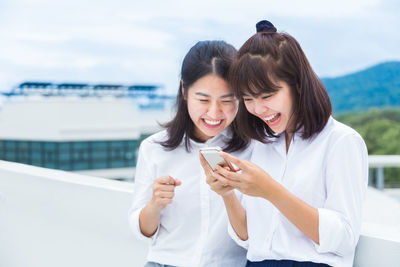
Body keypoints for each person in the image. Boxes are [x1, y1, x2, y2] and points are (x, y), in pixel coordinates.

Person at [199, 21, 368, 267]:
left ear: (297, 85)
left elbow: (343, 239)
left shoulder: (341, 142)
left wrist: (271, 191)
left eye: (267, 96)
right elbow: (247, 237)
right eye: (248, 98)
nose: (258, 108)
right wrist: (228, 193)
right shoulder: (262, 145)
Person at [129, 40, 252, 267]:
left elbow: (252, 236)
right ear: (184, 90)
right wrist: (155, 204)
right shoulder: (155, 147)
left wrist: (228, 194)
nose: (214, 113)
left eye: (227, 100)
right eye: (203, 100)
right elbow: (143, 232)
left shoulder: (254, 149)